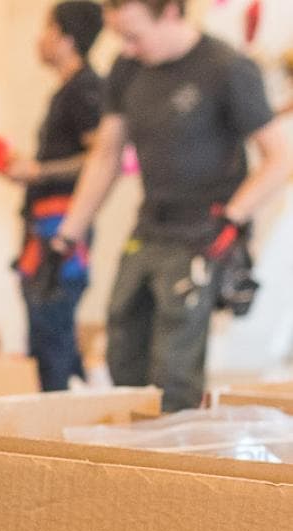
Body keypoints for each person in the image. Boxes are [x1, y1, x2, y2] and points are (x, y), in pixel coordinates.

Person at [52, 0, 291, 411]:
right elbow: (106, 154)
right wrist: (67, 234)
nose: (126, 48)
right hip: (148, 230)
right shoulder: (128, 69)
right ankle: (134, 458)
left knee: (174, 368)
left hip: (202, 235)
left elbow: (281, 157)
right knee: (122, 348)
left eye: (133, 35)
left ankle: (171, 468)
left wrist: (232, 219)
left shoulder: (227, 68)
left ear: (171, 14)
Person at [0, 1, 106, 391]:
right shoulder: (68, 91)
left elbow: (101, 158)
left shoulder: (85, 89)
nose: (39, 40)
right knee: (47, 336)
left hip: (61, 230)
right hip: (44, 224)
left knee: (51, 333)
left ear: (67, 38)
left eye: (47, 29)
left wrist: (39, 171)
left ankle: (55, 440)